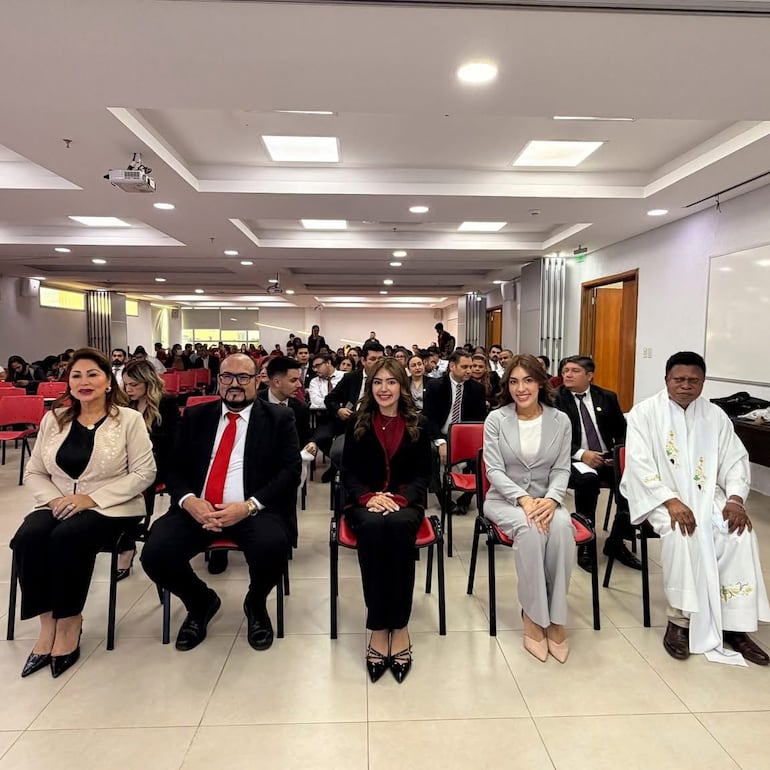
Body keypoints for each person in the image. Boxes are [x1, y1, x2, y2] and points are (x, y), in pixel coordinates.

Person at [140, 353, 301, 652]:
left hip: (251, 510)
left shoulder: (279, 418)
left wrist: (249, 506)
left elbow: (291, 471)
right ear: (219, 380)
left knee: (273, 547)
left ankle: (255, 604)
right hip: (198, 509)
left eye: (243, 377)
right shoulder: (197, 416)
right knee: (155, 554)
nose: (234, 384)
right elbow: (173, 468)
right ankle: (201, 602)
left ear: (257, 380)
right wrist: (189, 501)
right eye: (227, 377)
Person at [11, 348, 156, 678]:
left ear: (108, 381)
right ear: (69, 382)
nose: (84, 381)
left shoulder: (128, 420)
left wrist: (91, 499)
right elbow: (34, 472)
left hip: (113, 507)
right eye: (76, 375)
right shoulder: (54, 419)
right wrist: (54, 501)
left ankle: (70, 622)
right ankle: (47, 625)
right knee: (28, 538)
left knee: (68, 538)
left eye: (93, 374)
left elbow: (144, 473)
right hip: (59, 502)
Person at [621, 351, 770, 665]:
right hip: (660, 496)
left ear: (703, 382)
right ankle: (680, 620)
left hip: (708, 495)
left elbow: (735, 460)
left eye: (693, 380)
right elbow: (638, 464)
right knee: (683, 533)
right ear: (666, 380)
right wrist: (670, 500)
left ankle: (735, 624)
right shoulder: (644, 413)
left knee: (738, 534)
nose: (686, 386)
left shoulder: (714, 415)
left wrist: (735, 499)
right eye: (679, 379)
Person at [341, 358, 432, 683]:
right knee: (374, 528)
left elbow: (424, 475)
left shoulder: (419, 423)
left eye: (391, 382)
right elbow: (347, 473)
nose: (384, 389)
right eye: (377, 382)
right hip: (364, 500)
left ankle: (401, 625)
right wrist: (368, 498)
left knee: (396, 527)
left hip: (405, 500)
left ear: (401, 386)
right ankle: (379, 627)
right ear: (370, 386)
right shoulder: (357, 423)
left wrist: (400, 498)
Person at [483, 354, 574, 662]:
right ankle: (534, 616)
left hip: (547, 499)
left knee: (562, 528)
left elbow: (562, 469)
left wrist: (552, 499)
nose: (521, 389)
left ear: (541, 383)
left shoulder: (560, 420)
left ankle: (557, 616)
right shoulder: (497, 419)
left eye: (528, 380)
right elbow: (493, 470)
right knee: (532, 530)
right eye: (513, 381)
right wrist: (523, 499)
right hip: (506, 500)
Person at [556, 355, 639, 572]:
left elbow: (622, 432)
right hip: (572, 459)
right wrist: (582, 454)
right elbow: (552, 438)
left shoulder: (607, 397)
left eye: (574, 371)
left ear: (589, 375)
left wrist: (617, 453)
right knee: (588, 480)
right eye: (565, 371)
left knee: (634, 479)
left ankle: (617, 541)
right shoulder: (555, 399)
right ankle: (586, 542)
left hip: (606, 456)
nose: (568, 374)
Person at [117, 359, 181, 579]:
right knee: (112, 485)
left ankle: (126, 545)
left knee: (131, 488)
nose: (128, 389)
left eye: (133, 385)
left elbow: (172, 441)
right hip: (129, 462)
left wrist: (143, 435)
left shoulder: (166, 403)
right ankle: (126, 538)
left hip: (159, 461)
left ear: (147, 382)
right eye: (125, 384)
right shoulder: (124, 405)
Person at [423, 350, 487, 515]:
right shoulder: (435, 386)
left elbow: (479, 420)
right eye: (464, 366)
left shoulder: (477, 389)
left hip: (465, 436)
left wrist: (468, 443)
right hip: (440, 434)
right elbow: (430, 418)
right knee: (429, 453)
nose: (469, 371)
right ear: (452, 366)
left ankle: (465, 499)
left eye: (471, 367)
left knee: (482, 455)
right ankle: (443, 499)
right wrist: (441, 442)